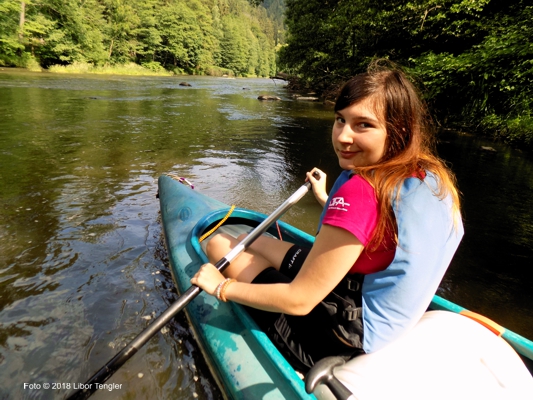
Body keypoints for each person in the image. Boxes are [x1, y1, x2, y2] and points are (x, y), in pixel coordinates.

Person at [190, 62, 464, 372]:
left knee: (219, 248)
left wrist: (220, 287)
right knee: (246, 240)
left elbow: (300, 301)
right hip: (375, 302)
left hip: (343, 334)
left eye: (363, 125)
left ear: (398, 130)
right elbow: (376, 230)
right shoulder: (433, 178)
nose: (343, 136)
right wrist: (325, 198)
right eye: (340, 120)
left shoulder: (361, 191)